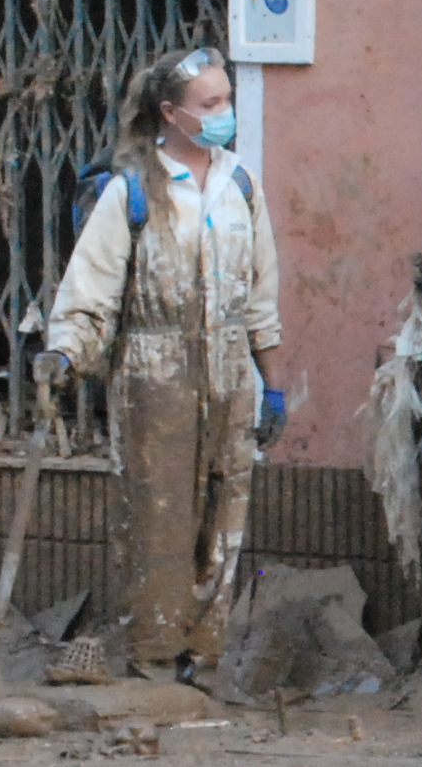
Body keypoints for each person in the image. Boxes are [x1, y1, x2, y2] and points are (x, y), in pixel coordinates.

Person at [34, 44, 283, 677]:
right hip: (153, 368)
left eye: (228, 99)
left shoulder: (241, 187)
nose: (225, 113)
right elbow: (90, 289)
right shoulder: (132, 193)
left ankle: (205, 654)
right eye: (212, 104)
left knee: (222, 519)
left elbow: (261, 296)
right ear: (172, 113)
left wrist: (271, 385)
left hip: (229, 368)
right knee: (157, 514)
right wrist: (65, 353)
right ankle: (151, 654)